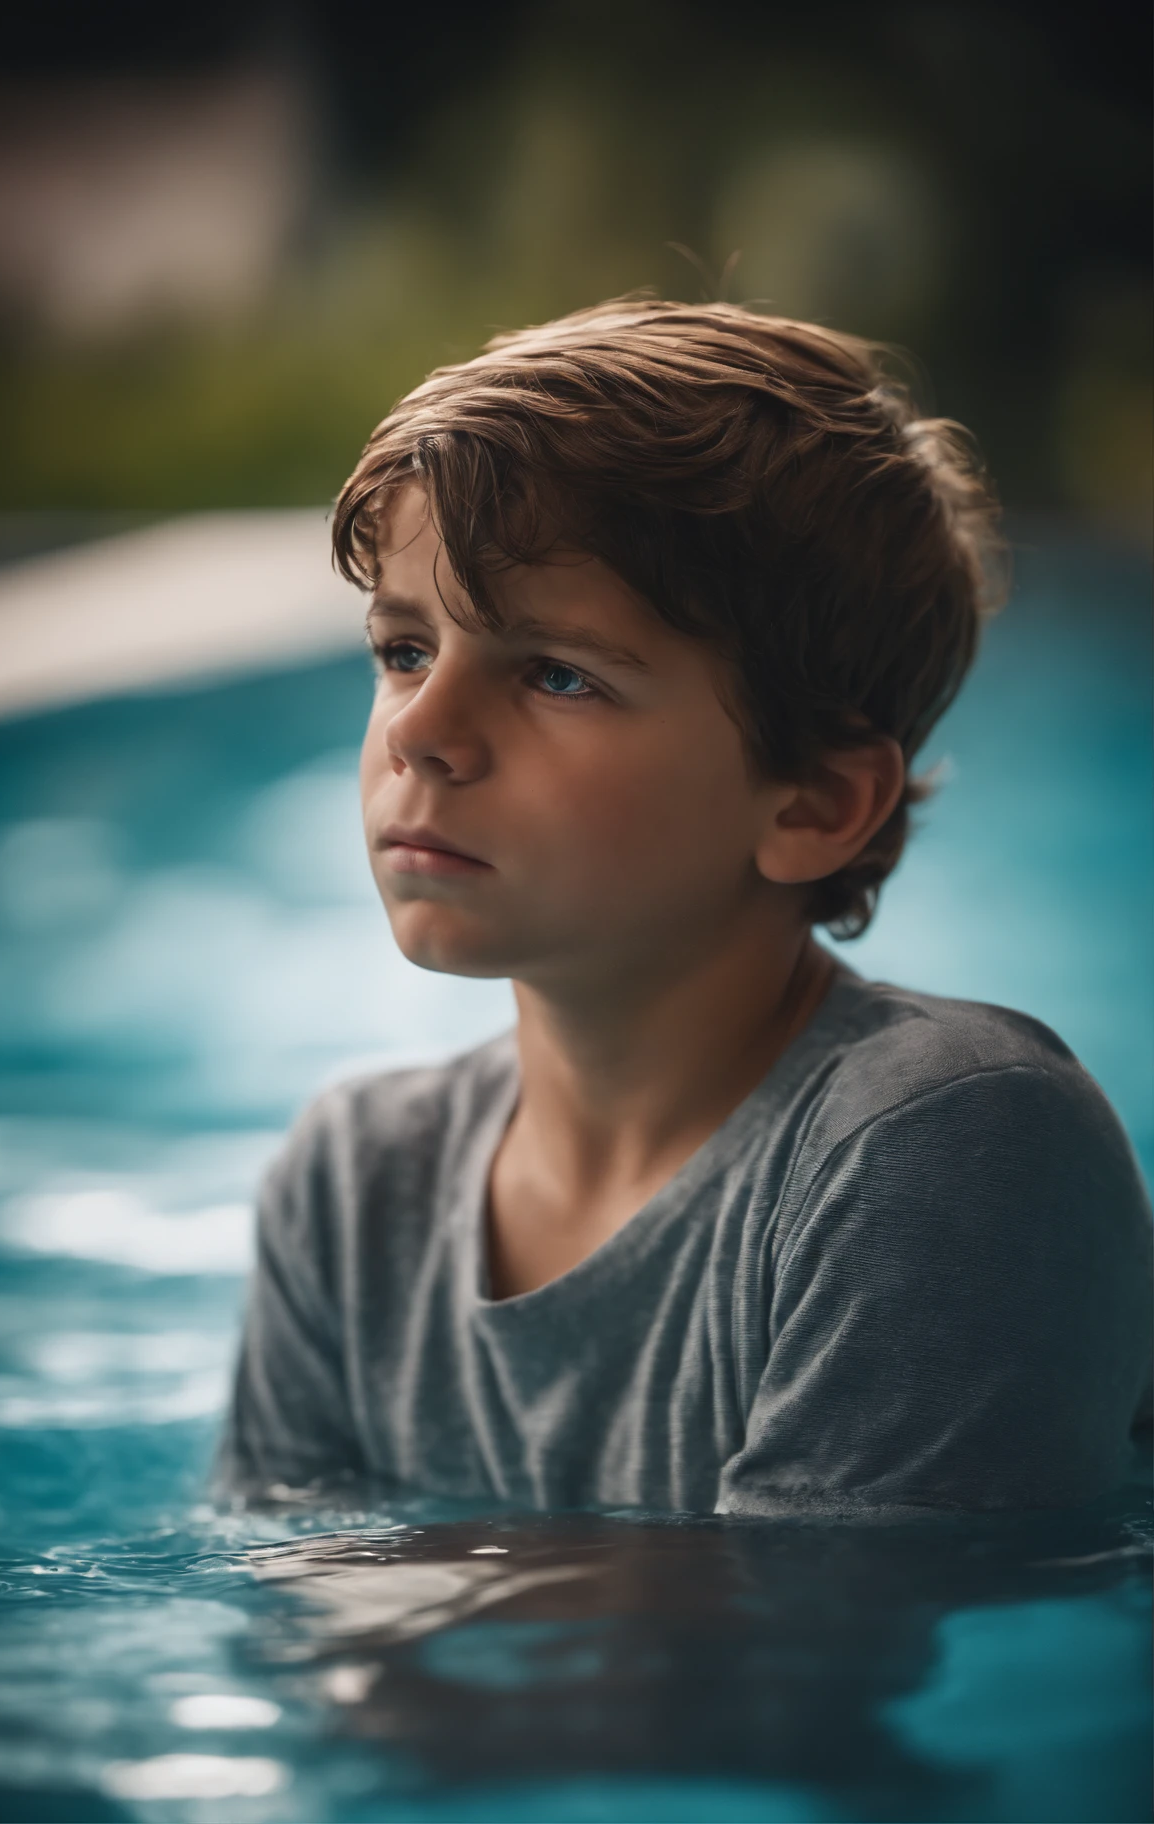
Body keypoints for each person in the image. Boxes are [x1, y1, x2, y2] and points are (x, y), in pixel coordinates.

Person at [216, 298, 1152, 1517]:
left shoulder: (946, 1144)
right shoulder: (353, 1186)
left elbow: (783, 1674)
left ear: (814, 802)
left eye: (559, 674)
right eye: (403, 650)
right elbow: (291, 1632)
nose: (422, 734)